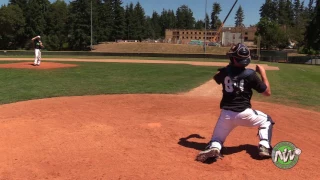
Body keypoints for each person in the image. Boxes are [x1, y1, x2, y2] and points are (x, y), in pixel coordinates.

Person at [196, 43, 275, 163]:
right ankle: (264, 145)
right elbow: (267, 92)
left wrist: (230, 67)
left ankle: (215, 147)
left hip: (226, 115)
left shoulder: (224, 72)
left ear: (233, 58)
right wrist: (263, 73)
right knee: (267, 120)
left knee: (217, 139)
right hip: (245, 114)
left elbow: (216, 78)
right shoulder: (251, 74)